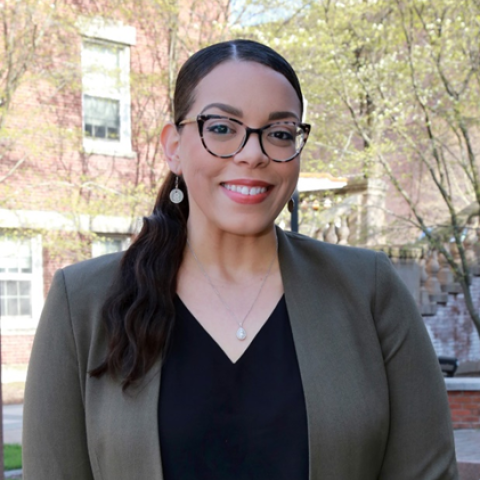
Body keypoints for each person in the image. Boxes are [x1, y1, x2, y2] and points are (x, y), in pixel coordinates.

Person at [23, 39, 458, 480]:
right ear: (173, 146)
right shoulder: (80, 303)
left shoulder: (370, 290)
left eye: (280, 133)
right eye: (222, 127)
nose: (254, 152)